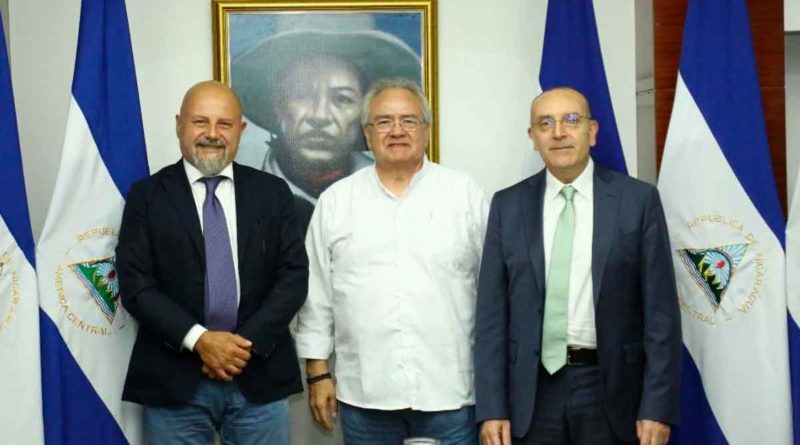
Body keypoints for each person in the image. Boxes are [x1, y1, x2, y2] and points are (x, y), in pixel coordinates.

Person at [474, 87, 681, 445]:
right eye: (545, 123)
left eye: (571, 120)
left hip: (611, 390)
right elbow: (492, 316)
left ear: (593, 131)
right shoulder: (508, 206)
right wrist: (492, 407)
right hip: (532, 394)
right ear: (533, 137)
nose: (559, 132)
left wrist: (657, 407)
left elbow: (661, 315)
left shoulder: (637, 201)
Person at [294, 78, 488, 444]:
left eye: (409, 121)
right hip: (365, 398)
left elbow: (494, 298)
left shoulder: (466, 195)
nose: (396, 131)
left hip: (452, 397)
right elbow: (316, 297)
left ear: (427, 130)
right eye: (383, 122)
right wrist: (318, 375)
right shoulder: (336, 202)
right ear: (367, 134)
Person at [116, 81, 308, 444]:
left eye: (224, 124)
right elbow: (136, 284)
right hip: (173, 379)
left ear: (241, 131)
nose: (212, 134)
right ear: (178, 125)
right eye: (200, 122)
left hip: (259, 374)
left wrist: (239, 347)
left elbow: (293, 276)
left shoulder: (272, 193)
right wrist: (200, 340)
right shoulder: (146, 197)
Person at [232, 21, 421, 233]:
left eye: (342, 99)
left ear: (365, 113)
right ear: (278, 106)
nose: (320, 116)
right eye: (302, 95)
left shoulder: (396, 199)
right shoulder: (241, 198)